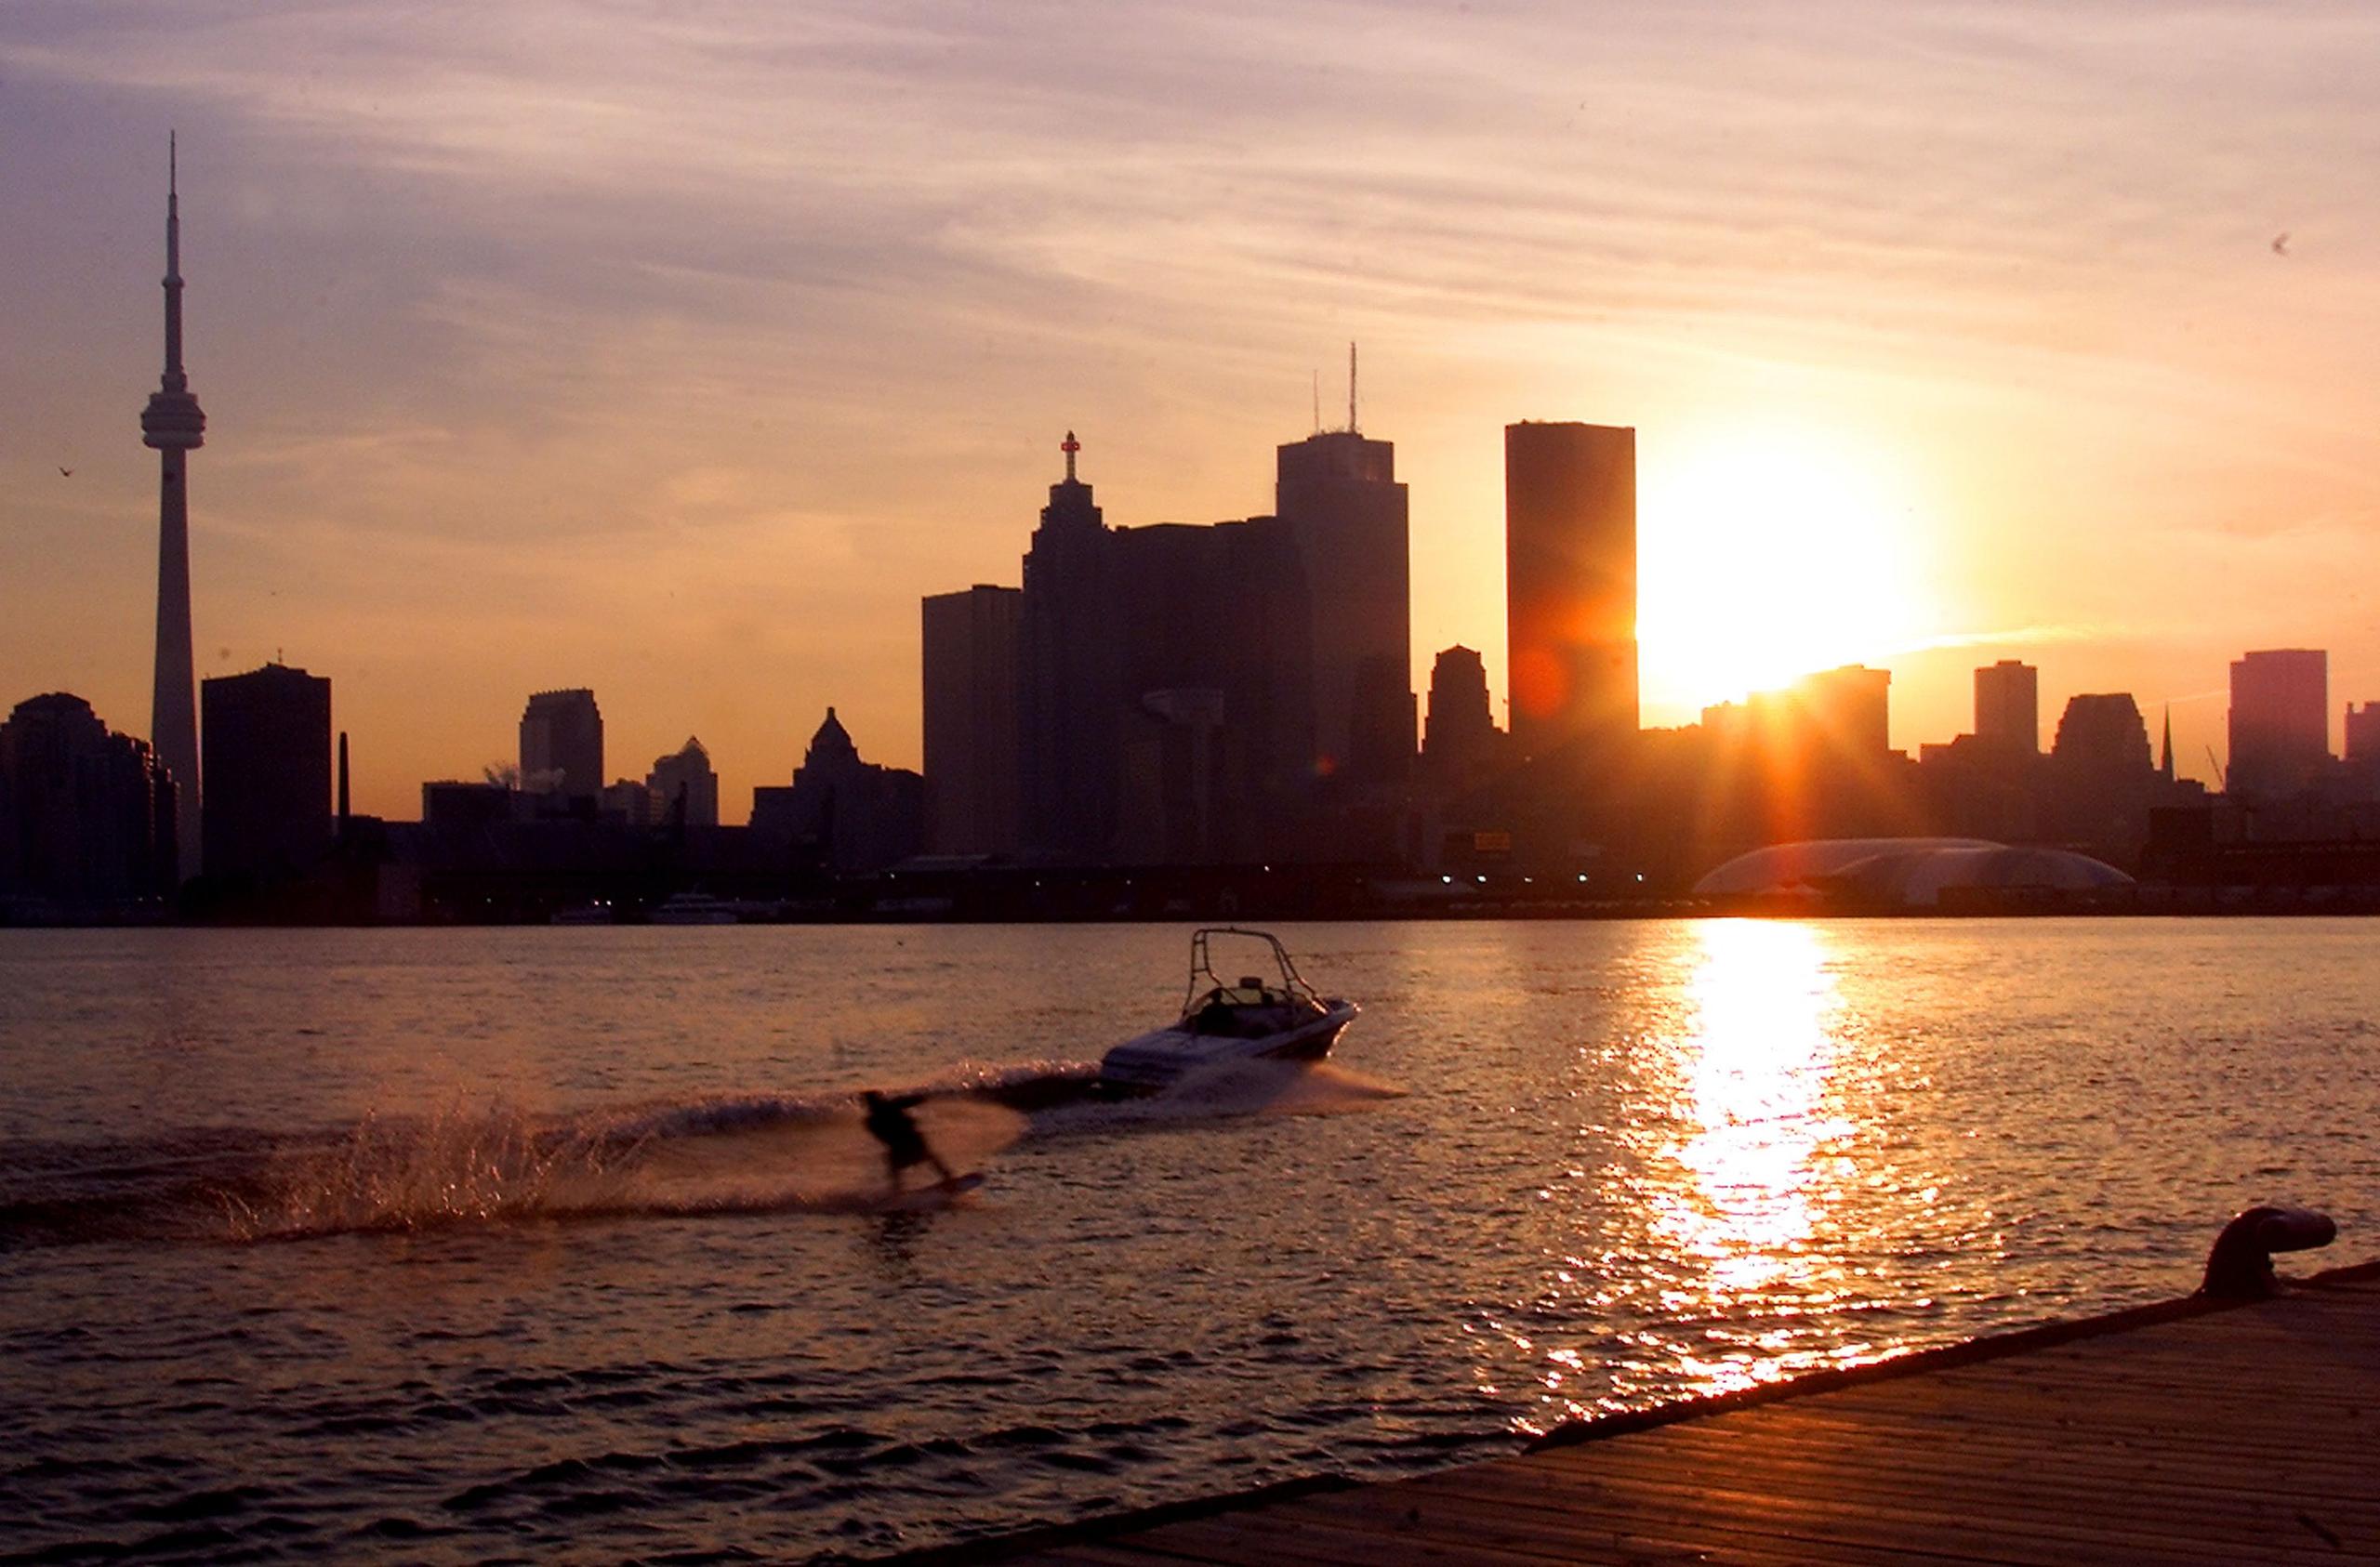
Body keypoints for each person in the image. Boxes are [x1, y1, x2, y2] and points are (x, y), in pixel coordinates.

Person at [860, 1089, 957, 1192]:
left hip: (904, 1148)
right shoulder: (888, 1109)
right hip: (909, 1146)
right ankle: (946, 1177)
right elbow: (915, 1100)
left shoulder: (871, 1121)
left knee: (901, 1159)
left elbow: (913, 1100)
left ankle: (897, 1189)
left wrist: (921, 1098)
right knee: (925, 1154)